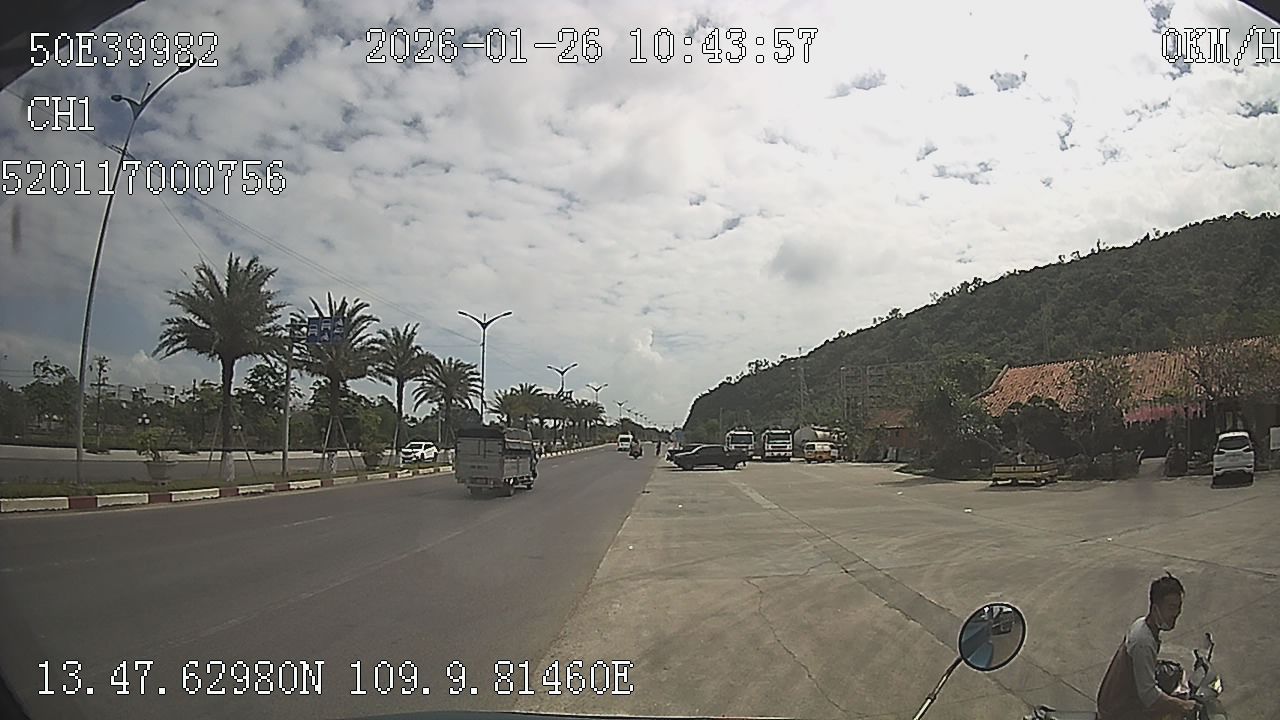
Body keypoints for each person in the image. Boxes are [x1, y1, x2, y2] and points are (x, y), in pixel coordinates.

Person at [1096, 574, 1198, 719]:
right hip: (1118, 711)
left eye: (1178, 607)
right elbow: (1149, 696)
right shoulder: (1143, 642)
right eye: (1171, 607)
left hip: (1116, 699)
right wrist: (1183, 705)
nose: (1176, 613)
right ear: (1155, 608)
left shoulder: (1142, 624)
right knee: (1176, 711)